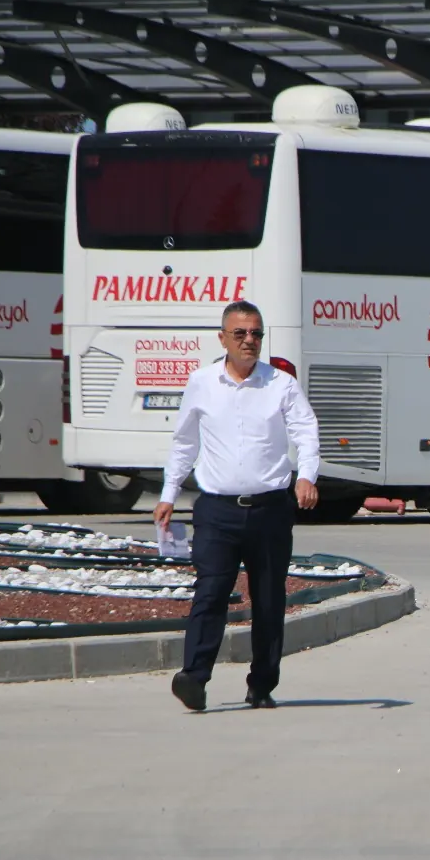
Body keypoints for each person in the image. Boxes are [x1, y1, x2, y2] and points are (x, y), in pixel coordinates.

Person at [156, 300, 321, 712]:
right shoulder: (202, 383)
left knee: (268, 600)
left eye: (257, 334)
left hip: (270, 511)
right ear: (223, 339)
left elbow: (306, 429)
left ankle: (261, 684)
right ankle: (193, 677)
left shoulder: (280, 384)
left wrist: (306, 476)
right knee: (210, 592)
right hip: (217, 511)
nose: (250, 341)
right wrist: (168, 493)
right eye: (241, 334)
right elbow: (185, 442)